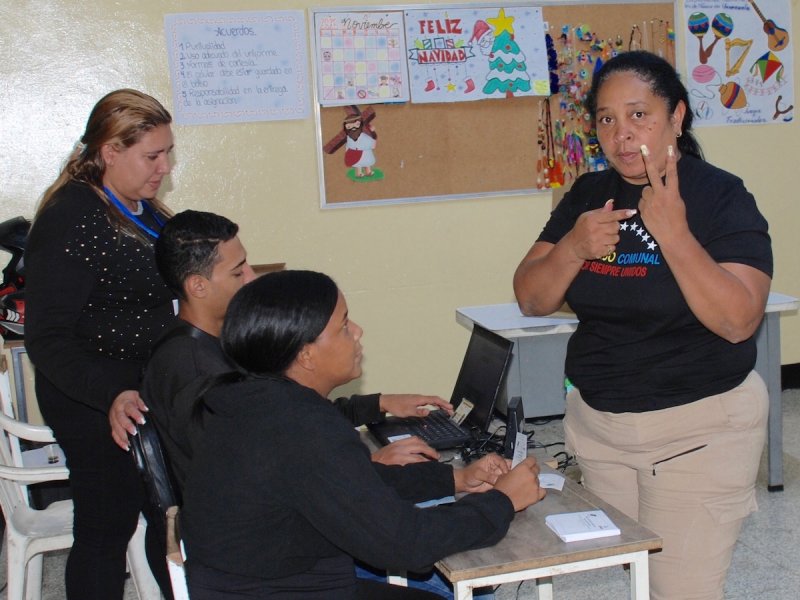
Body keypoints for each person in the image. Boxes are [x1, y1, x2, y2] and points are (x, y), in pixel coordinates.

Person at [513, 51, 772, 600]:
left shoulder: (720, 196)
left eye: (638, 115)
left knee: (680, 591)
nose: (622, 134)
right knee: (639, 583)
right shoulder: (589, 194)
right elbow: (532, 298)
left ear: (676, 115)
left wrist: (674, 234)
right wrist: (573, 246)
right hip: (600, 431)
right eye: (606, 119)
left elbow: (739, 320)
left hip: (698, 432)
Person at [181, 270, 545, 599]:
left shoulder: (257, 402)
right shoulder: (300, 427)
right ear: (306, 354)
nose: (357, 331)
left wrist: (455, 479)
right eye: (343, 326)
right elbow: (405, 543)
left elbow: (353, 483)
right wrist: (502, 501)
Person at [122, 210, 453, 488]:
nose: (251, 278)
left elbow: (285, 419)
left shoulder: (206, 344)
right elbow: (251, 472)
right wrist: (370, 464)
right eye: (238, 272)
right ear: (198, 285)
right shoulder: (193, 368)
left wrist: (377, 405)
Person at [24, 89, 176, 599]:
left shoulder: (142, 209)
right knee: (107, 522)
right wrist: (110, 394)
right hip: (91, 393)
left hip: (141, 386)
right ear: (110, 151)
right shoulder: (73, 218)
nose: (164, 167)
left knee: (170, 514)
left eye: (167, 153)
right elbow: (47, 337)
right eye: (152, 156)